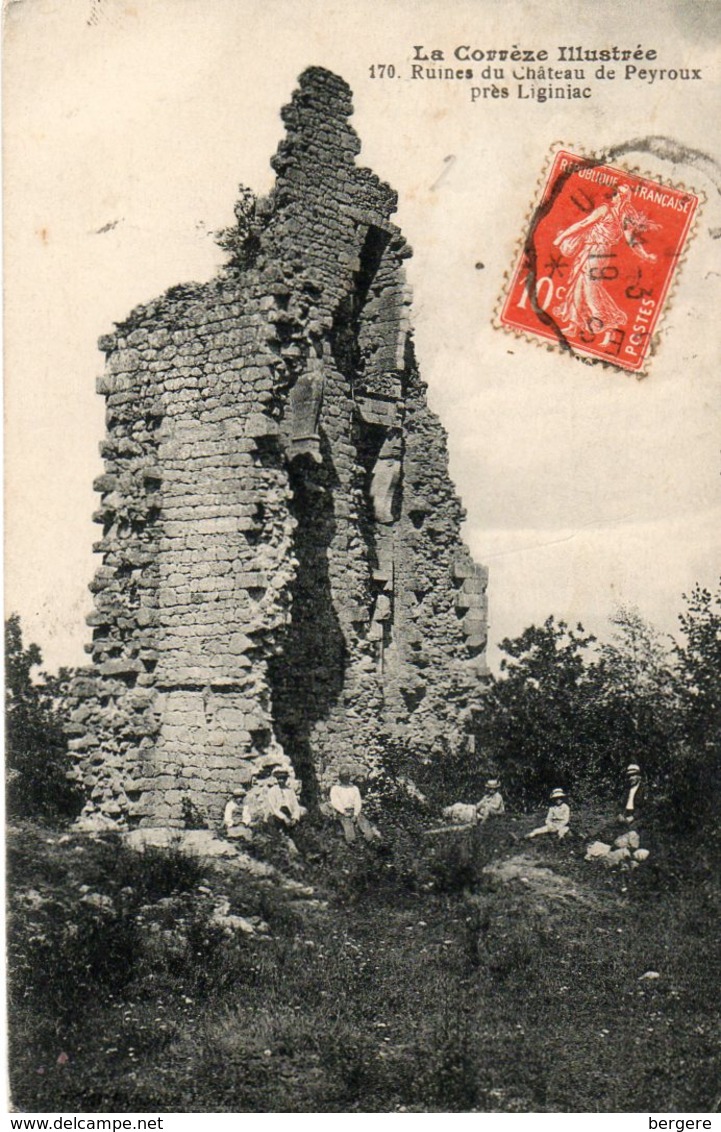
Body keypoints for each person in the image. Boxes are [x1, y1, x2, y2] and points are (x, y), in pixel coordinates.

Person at [551, 183, 658, 342]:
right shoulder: (623, 217)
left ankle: (601, 318)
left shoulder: (606, 210)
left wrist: (561, 237)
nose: (612, 197)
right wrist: (645, 255)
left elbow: (582, 224)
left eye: (615, 195)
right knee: (578, 285)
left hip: (595, 252)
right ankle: (574, 326)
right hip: (599, 253)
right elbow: (632, 242)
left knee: (589, 286)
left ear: (620, 197)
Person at [329, 766, 380, 845]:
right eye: (344, 777)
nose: (346, 779)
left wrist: (355, 814)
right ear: (340, 778)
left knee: (363, 822)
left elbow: (358, 802)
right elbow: (335, 802)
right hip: (343, 811)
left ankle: (370, 840)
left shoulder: (354, 788)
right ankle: (351, 842)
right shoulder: (335, 789)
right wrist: (343, 812)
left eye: (347, 777)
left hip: (354, 810)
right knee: (347, 824)